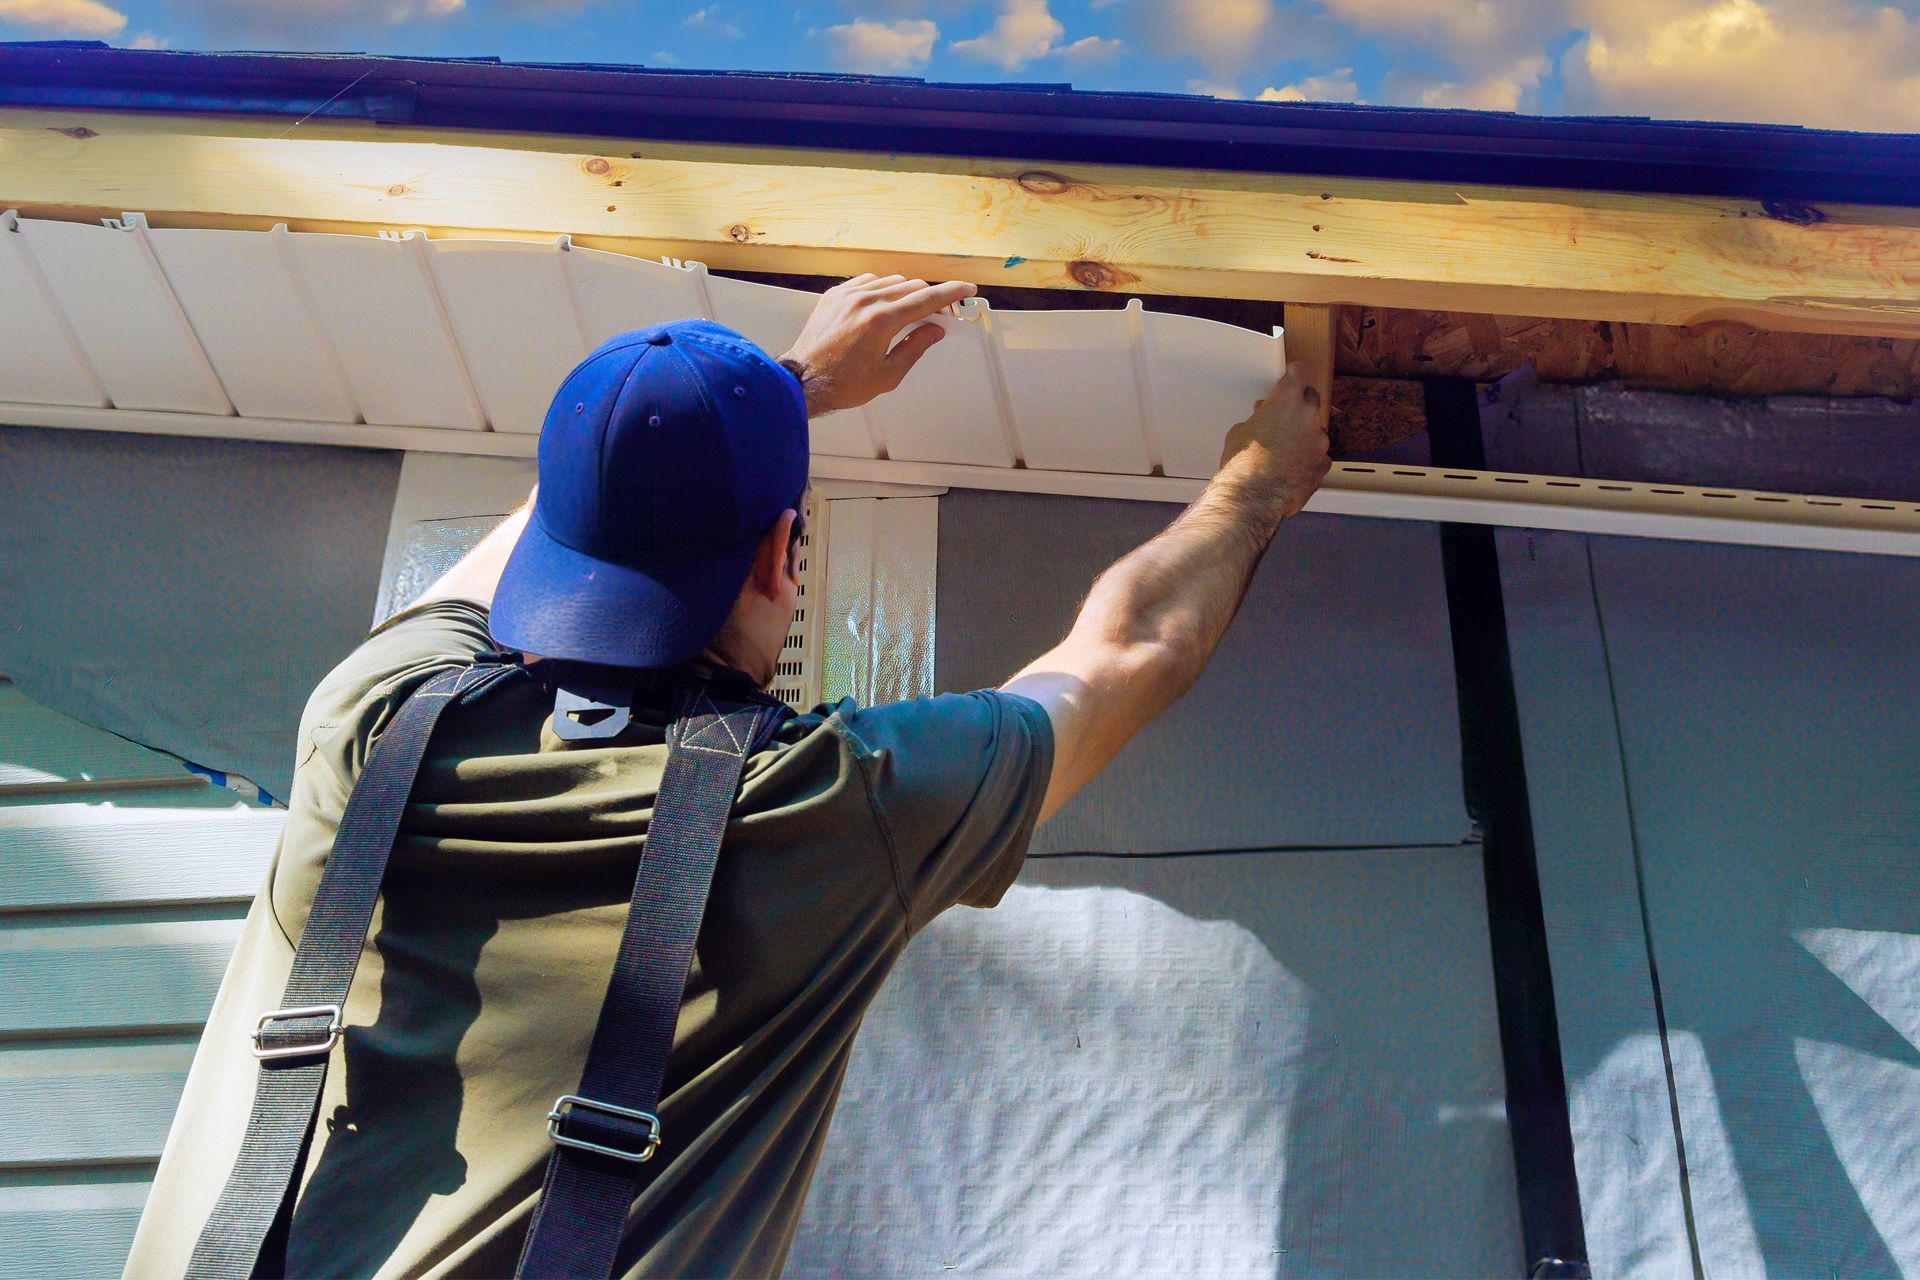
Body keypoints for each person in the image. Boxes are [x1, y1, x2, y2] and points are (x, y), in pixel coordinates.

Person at [126, 273, 1329, 1279]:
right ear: (779, 553)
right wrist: (1262, 477)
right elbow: (1126, 650)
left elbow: (547, 523)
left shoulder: (372, 718)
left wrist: (778, 392)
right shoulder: (823, 812)